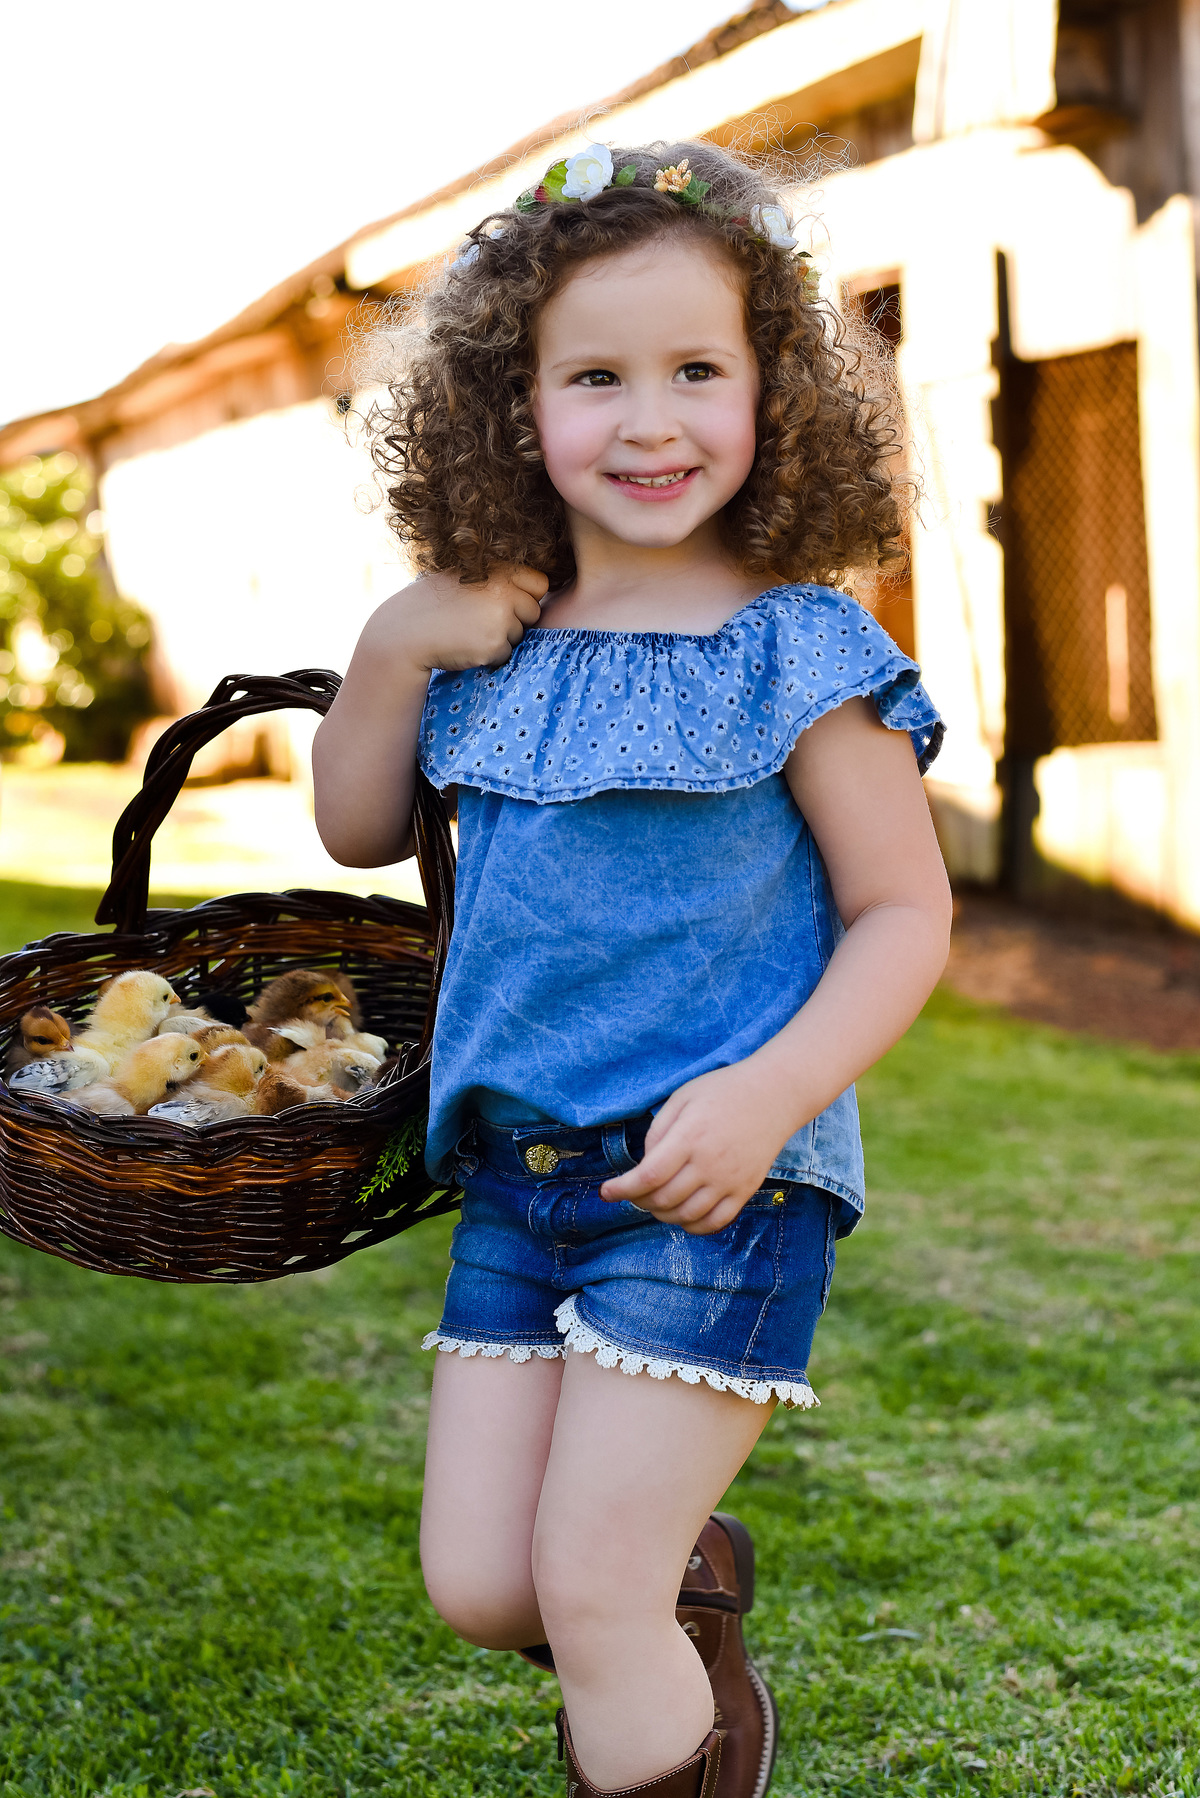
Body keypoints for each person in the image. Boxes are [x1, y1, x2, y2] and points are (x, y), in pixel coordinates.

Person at [313, 138, 952, 1798]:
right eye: (595, 377)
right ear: (512, 406)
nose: (650, 421)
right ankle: (686, 1594)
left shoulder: (798, 649)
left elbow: (904, 912)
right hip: (520, 1178)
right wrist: (392, 646)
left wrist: (770, 1095)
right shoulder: (490, 635)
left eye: (696, 371)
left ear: (775, 392)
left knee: (590, 1589)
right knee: (486, 1585)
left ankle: (648, 1639)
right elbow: (359, 826)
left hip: (719, 1179)